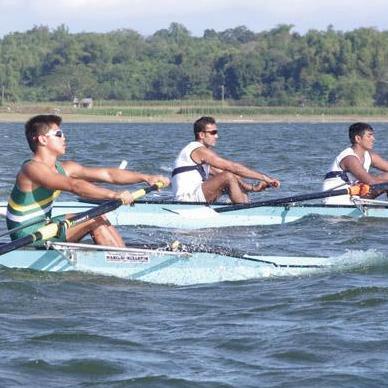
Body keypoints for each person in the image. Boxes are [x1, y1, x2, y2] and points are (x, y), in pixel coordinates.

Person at [6, 115, 170, 247]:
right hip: (26, 235)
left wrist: (146, 178)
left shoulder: (65, 167)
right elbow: (74, 186)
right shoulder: (32, 169)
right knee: (94, 218)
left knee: (98, 216)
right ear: (42, 140)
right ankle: (122, 261)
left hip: (45, 225)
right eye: (58, 134)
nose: (64, 138)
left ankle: (122, 254)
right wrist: (114, 195)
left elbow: (108, 174)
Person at [171, 116, 280, 203]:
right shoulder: (198, 150)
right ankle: (245, 211)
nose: (217, 136)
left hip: (194, 197)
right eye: (213, 133)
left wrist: (253, 187)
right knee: (228, 176)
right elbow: (233, 168)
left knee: (230, 178)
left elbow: (233, 177)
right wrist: (265, 178)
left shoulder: (199, 157)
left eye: (216, 132)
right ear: (201, 135)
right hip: (186, 201)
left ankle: (244, 207)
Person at [322, 122, 388, 204]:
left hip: (354, 198)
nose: (373, 139)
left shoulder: (370, 155)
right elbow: (371, 182)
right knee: (383, 184)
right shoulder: (349, 159)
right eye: (369, 136)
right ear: (358, 139)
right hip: (336, 200)